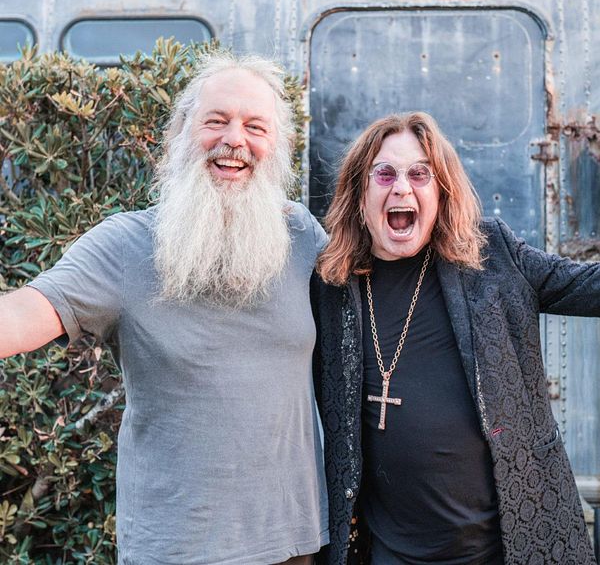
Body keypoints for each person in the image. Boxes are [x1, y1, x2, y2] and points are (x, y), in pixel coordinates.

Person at [0, 52, 329, 564]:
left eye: (255, 127)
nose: (235, 140)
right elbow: (22, 316)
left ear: (277, 147)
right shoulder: (125, 246)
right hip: (178, 549)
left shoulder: (302, 236)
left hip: (297, 545)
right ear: (179, 134)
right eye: (216, 121)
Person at [311, 112, 598, 565]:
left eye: (419, 174)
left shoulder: (493, 256)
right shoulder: (332, 286)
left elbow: (587, 286)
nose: (401, 188)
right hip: (386, 553)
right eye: (384, 174)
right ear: (359, 194)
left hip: (507, 547)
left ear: (441, 193)